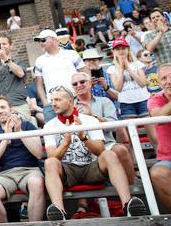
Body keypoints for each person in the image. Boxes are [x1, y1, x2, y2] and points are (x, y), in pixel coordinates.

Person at [43, 86, 147, 220]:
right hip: (68, 172)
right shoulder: (49, 126)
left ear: (70, 101)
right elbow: (52, 157)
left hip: (91, 168)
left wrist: (83, 137)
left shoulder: (90, 120)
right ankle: (59, 212)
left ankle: (128, 205)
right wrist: (65, 143)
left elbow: (100, 150)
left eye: (57, 99)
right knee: (50, 162)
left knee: (109, 154)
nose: (53, 103)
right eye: (52, 100)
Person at [0, 97, 44, 222]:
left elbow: (38, 153)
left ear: (10, 109)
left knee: (37, 183)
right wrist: (6, 137)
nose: (0, 111)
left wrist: (19, 131)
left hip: (30, 171)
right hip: (5, 174)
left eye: (3, 107)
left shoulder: (27, 125)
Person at [72, 72, 135, 184]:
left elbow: (113, 126)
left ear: (90, 84)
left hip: (105, 144)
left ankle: (133, 190)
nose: (79, 85)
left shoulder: (104, 101)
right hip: (79, 147)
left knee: (121, 150)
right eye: (75, 83)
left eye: (82, 82)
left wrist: (93, 116)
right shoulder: (69, 105)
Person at [106, 38, 157, 152]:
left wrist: (128, 68)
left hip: (143, 100)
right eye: (117, 49)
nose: (121, 51)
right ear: (114, 52)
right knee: (133, 140)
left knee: (154, 137)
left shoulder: (138, 64)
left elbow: (143, 83)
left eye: (123, 48)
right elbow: (118, 88)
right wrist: (121, 69)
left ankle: (162, 159)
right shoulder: (112, 68)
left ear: (128, 49)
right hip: (126, 104)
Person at [34, 29, 86, 122]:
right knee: (54, 133)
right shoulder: (39, 60)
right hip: (52, 104)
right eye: (39, 41)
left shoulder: (71, 54)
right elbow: (39, 85)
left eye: (43, 40)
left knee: (81, 129)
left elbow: (85, 73)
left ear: (53, 39)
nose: (40, 43)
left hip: (75, 100)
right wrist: (46, 103)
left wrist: (82, 94)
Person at [0, 35, 33, 123]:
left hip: (18, 104)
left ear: (11, 46)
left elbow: (20, 73)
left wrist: (5, 58)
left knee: (23, 128)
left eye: (4, 44)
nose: (1, 46)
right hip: (1, 106)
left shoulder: (19, 62)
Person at [148, 64, 171, 212]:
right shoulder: (154, 100)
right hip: (168, 158)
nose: (168, 81)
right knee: (157, 173)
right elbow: (159, 116)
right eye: (164, 78)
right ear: (160, 83)